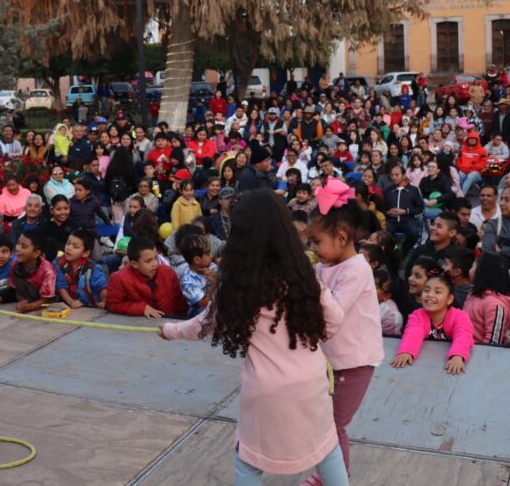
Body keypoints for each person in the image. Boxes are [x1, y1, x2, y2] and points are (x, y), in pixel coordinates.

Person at [159, 190, 348, 485]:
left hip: (265, 390)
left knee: (248, 462)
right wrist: (310, 338)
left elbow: (202, 325)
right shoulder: (305, 276)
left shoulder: (235, 285)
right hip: (311, 382)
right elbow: (335, 320)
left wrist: (169, 331)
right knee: (327, 448)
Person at [306, 179, 383, 480]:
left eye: (316, 241)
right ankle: (327, 474)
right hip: (331, 361)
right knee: (323, 424)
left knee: (333, 426)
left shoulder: (357, 269)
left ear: (340, 237)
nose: (312, 248)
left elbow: (331, 312)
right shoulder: (324, 267)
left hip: (354, 363)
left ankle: (337, 477)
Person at [391, 269, 473, 375]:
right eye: (426, 290)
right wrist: (406, 351)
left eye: (437, 292)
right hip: (423, 368)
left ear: (449, 299)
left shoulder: (460, 317)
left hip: (445, 371)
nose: (430, 295)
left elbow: (463, 335)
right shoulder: (417, 315)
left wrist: (457, 356)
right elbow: (413, 332)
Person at [106, 236, 186, 318]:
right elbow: (112, 305)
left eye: (155, 258)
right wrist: (141, 308)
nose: (154, 264)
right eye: (148, 261)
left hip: (171, 323)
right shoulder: (119, 279)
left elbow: (179, 302)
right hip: (139, 327)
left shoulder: (167, 272)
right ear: (134, 264)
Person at [462, 252, 510, 345]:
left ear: (482, 272)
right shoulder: (472, 295)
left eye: (473, 267)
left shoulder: (495, 305)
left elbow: (492, 343)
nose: (470, 271)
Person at [54, 228, 108, 308]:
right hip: (67, 305)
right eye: (68, 244)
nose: (68, 248)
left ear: (85, 253)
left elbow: (102, 285)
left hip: (90, 306)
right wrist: (71, 302)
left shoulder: (93, 267)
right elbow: (61, 285)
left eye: (75, 247)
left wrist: (104, 301)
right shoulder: (58, 263)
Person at [10, 229, 57, 313]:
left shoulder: (47, 271)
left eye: (23, 247)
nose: (17, 248)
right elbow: (16, 291)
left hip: (46, 304)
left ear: (36, 253)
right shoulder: (15, 265)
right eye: (18, 243)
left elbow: (45, 301)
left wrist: (28, 307)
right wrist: (23, 301)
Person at [383, 164, 424, 252]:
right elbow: (383, 208)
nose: (394, 177)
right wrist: (387, 212)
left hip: (408, 219)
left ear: (404, 175)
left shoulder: (413, 190)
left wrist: (405, 211)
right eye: (392, 175)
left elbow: (420, 208)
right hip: (391, 220)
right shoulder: (388, 190)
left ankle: (403, 252)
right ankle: (391, 252)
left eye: (397, 174)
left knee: (415, 233)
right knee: (383, 234)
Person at [177, 232, 218, 317]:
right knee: (202, 310)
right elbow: (203, 304)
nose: (211, 255)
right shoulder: (188, 281)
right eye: (207, 254)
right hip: (198, 316)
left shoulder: (212, 267)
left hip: (215, 308)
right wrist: (214, 284)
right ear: (197, 260)